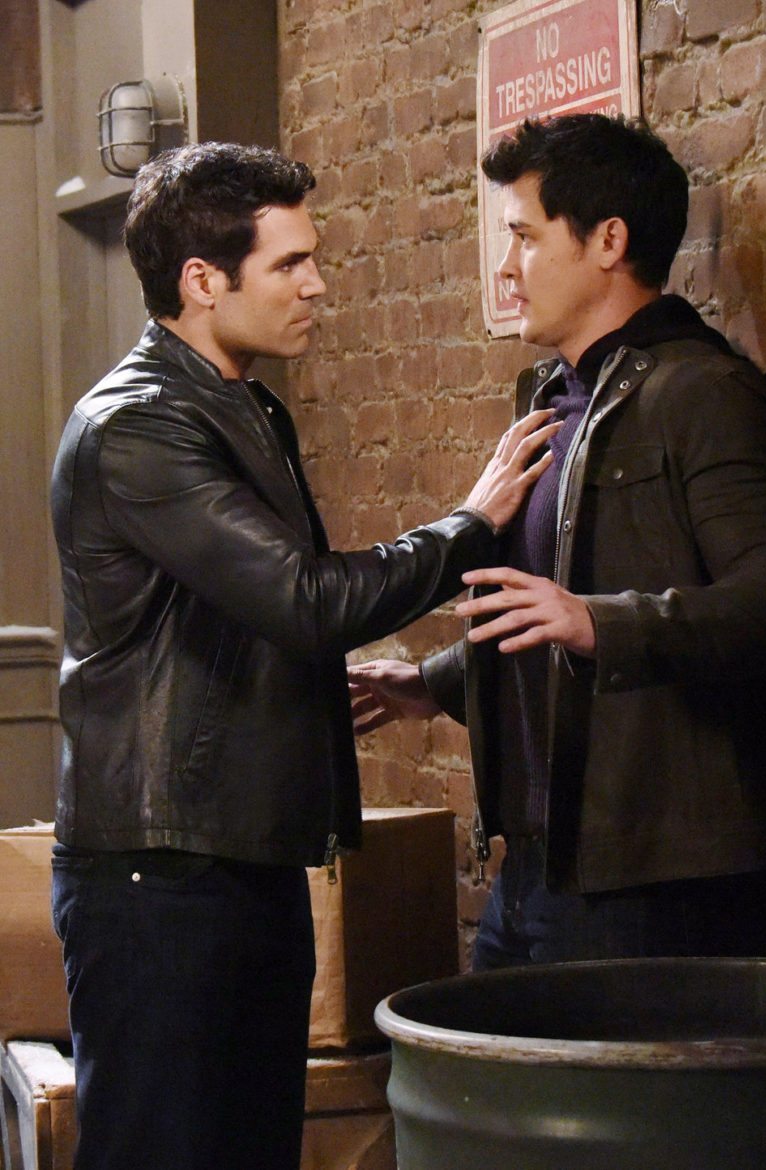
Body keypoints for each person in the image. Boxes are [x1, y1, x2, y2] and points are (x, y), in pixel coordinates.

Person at [49, 141, 559, 1170]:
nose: (317, 284)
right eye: (289, 263)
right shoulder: (139, 424)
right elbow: (304, 601)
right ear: (203, 281)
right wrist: (467, 526)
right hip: (162, 877)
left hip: (240, 860)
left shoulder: (241, 404)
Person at [349, 114, 766, 973]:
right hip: (539, 866)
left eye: (525, 237)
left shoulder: (705, 393)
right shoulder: (549, 398)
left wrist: (599, 623)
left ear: (608, 241)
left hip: (658, 879)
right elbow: (557, 601)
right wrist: (433, 683)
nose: (506, 269)